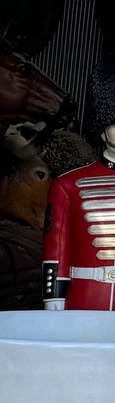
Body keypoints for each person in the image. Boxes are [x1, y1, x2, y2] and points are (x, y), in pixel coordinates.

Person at [43, 122, 115, 310]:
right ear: (102, 132)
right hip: (87, 295)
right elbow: (57, 245)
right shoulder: (67, 184)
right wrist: (53, 296)